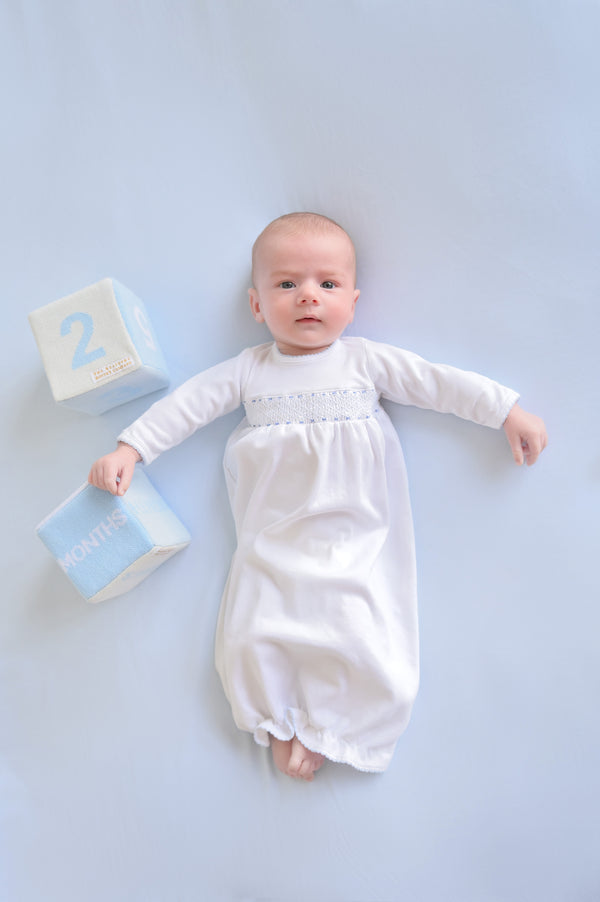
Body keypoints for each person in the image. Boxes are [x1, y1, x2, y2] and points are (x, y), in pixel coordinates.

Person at [88, 212, 548, 782]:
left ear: (352, 303)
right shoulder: (249, 370)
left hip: (354, 532)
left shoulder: (364, 361)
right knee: (255, 622)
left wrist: (506, 410)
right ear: (257, 305)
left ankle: (334, 725)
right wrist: (132, 448)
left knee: (356, 620)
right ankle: (278, 718)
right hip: (273, 534)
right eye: (287, 283)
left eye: (327, 284)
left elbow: (436, 382)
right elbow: (188, 406)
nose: (308, 296)